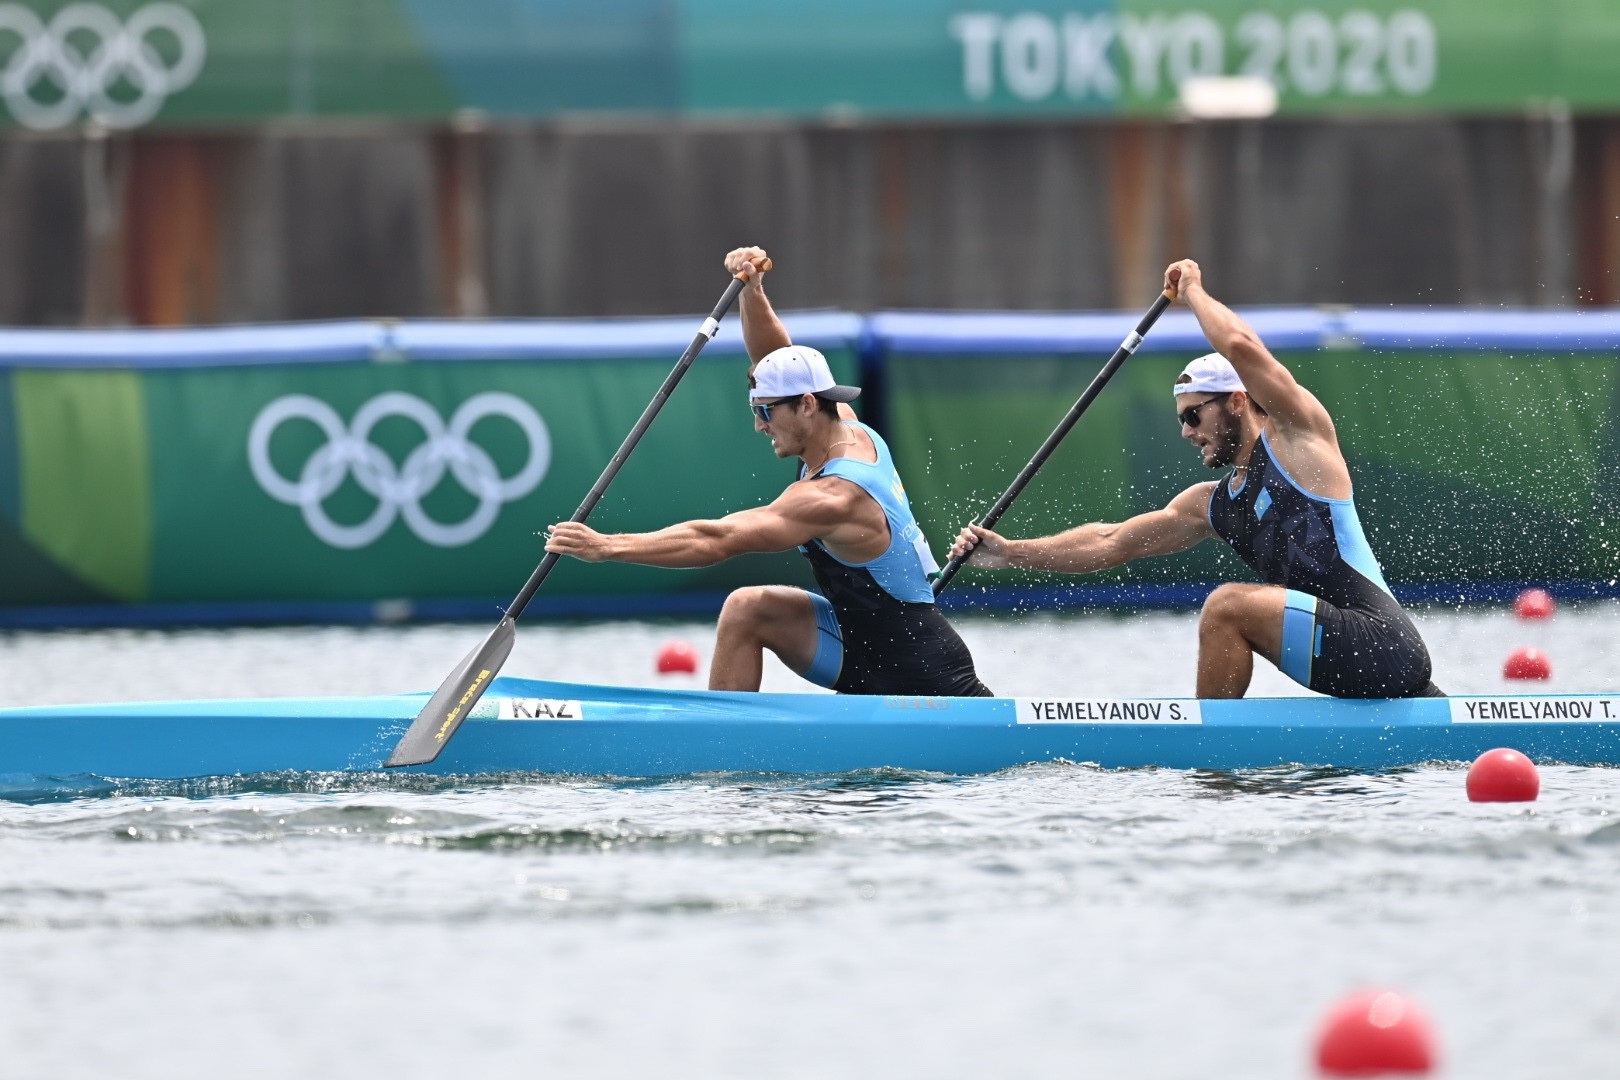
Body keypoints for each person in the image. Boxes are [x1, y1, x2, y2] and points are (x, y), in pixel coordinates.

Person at [949, 259, 1441, 700]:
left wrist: (1193, 292)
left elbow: (1241, 346)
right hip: (1351, 659)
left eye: (1193, 416)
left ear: (1237, 401)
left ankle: (1208, 755)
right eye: (1181, 420)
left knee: (1226, 607)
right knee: (1228, 606)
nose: (1186, 432)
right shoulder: (1210, 505)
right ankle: (1215, 746)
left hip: (1382, 642)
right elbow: (1111, 542)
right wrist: (1011, 553)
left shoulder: (1298, 442)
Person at [546, 246, 992, 697]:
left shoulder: (834, 497)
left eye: (765, 412)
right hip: (859, 644)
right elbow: (777, 358)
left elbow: (717, 539)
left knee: (746, 602)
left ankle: (719, 733)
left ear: (807, 405)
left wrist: (609, 546)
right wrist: (751, 289)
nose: (759, 426)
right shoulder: (844, 427)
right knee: (748, 609)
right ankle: (722, 734)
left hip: (920, 674)